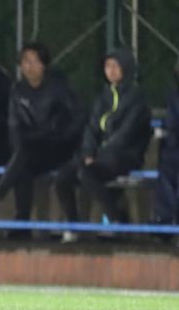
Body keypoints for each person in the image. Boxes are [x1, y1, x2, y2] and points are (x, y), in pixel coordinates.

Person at [0, 42, 86, 222]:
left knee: (24, 155)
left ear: (44, 65)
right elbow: (14, 125)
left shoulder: (59, 87)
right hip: (32, 149)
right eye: (25, 61)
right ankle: (21, 223)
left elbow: (79, 116)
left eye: (34, 61)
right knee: (22, 160)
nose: (29, 66)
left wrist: (63, 136)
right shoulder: (18, 89)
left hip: (60, 148)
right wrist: (18, 148)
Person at [55, 47, 151, 242]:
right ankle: (73, 225)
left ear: (126, 68)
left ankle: (116, 221)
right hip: (99, 155)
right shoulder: (103, 97)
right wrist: (88, 153)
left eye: (116, 66)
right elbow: (91, 129)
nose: (111, 71)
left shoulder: (137, 98)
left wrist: (98, 155)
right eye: (108, 66)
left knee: (87, 174)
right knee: (63, 175)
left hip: (125, 155)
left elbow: (126, 134)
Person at [153, 61, 179, 227]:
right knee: (166, 171)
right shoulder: (173, 95)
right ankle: (165, 218)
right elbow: (170, 123)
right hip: (173, 149)